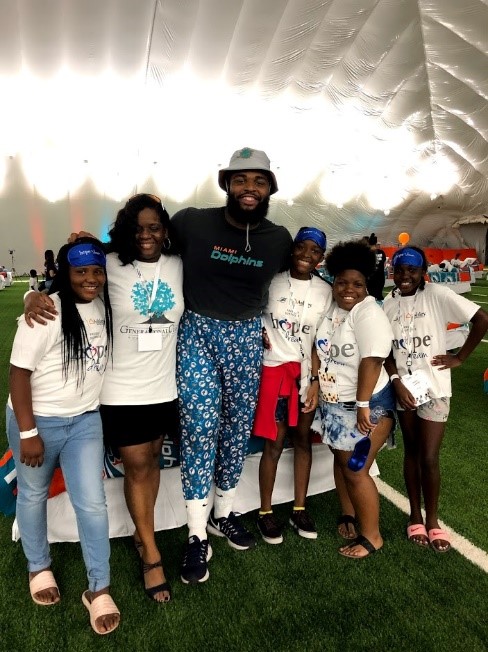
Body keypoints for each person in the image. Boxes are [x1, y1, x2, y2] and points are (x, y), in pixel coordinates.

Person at [24, 194, 183, 603]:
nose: (146, 235)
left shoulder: (179, 265)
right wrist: (32, 295)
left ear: (164, 230)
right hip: (119, 389)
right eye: (137, 227)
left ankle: (141, 532)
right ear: (125, 231)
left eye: (153, 227)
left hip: (163, 387)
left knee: (151, 461)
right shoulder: (110, 264)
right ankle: (150, 554)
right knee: (136, 463)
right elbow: (69, 280)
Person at [172, 147, 293, 583]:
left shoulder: (279, 239)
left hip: (245, 338)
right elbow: (140, 243)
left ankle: (223, 513)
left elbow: (303, 281)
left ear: (269, 190)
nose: (249, 189)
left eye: (259, 182)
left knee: (236, 427)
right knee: (201, 425)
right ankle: (194, 534)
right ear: (226, 184)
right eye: (241, 180)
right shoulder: (191, 222)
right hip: (198, 332)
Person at [7, 238, 120, 635]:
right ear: (65, 274)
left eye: (96, 271)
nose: (90, 278)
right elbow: (18, 373)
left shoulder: (105, 307)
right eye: (80, 271)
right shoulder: (46, 312)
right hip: (38, 421)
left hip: (85, 421)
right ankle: (38, 567)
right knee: (33, 493)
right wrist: (28, 432)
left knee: (92, 503)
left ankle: (98, 587)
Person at [384, 246, 488, 552]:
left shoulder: (438, 295)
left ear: (422, 273)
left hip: (436, 389)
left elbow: (481, 319)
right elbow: (385, 351)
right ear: (393, 272)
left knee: (429, 456)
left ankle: (433, 520)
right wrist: (396, 381)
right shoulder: (386, 305)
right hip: (404, 389)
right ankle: (414, 515)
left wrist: (460, 358)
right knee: (412, 451)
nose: (405, 276)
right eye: (400, 270)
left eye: (412, 271)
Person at [315, 240, 395, 558]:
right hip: (335, 403)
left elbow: (372, 360)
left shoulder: (368, 312)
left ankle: (372, 536)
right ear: (333, 282)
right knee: (341, 460)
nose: (349, 289)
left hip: (368, 404)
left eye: (357, 284)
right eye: (342, 282)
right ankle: (348, 513)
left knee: (356, 470)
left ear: (367, 285)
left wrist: (362, 405)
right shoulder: (333, 309)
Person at [252, 227, 332, 544]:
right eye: (301, 247)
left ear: (321, 257)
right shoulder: (270, 280)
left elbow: (320, 342)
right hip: (273, 373)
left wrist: (314, 380)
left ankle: (299, 508)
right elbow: (252, 314)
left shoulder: (325, 292)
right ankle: (266, 512)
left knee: (302, 441)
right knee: (274, 443)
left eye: (314, 250)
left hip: (304, 376)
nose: (306, 255)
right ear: (292, 249)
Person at [367, 233, 387, 301]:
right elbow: (383, 263)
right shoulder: (382, 252)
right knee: (379, 295)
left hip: (370, 278)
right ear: (376, 243)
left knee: (371, 296)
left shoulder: (367, 253)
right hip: (380, 277)